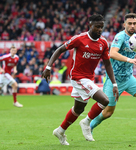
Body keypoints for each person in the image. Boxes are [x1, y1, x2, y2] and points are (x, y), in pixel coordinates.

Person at [42, 14, 119, 145]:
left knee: (78, 109)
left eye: (101, 27)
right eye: (97, 27)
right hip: (78, 77)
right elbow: (60, 49)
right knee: (105, 100)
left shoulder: (104, 43)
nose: (100, 29)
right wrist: (48, 67)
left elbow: (107, 64)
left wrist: (114, 83)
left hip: (88, 79)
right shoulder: (80, 39)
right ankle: (87, 122)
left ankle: (60, 131)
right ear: (90, 25)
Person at [90, 13, 136, 138]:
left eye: (134, 23)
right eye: (130, 23)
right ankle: (90, 126)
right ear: (124, 24)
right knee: (108, 113)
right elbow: (112, 53)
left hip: (128, 78)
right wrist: (129, 59)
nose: (132, 26)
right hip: (114, 80)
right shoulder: (120, 37)